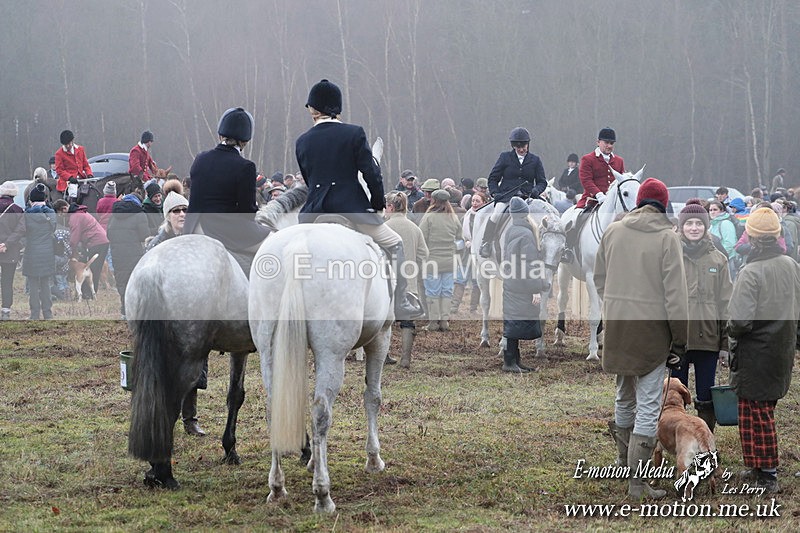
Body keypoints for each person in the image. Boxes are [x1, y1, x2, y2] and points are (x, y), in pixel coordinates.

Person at [295, 79, 422, 319]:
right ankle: (401, 301)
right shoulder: (354, 133)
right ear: (337, 108)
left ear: (313, 110)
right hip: (351, 209)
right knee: (395, 244)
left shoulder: (302, 141)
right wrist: (376, 204)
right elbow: (371, 173)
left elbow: (309, 180)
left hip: (313, 213)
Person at [594, 178, 688, 500]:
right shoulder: (667, 238)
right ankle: (637, 484)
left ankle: (623, 466)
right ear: (664, 205)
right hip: (652, 334)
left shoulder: (613, 232)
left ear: (638, 202)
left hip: (618, 329)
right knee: (648, 407)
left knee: (623, 397)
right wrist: (679, 340)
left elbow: (599, 280)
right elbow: (676, 297)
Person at [728, 207, 800, 493]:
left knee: (756, 415)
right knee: (760, 409)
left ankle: (767, 473)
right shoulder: (792, 265)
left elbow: (739, 322)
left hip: (754, 355)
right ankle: (756, 466)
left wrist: (728, 330)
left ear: (753, 239)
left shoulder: (750, 272)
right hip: (781, 352)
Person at [143, 188, 208, 436]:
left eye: (184, 210)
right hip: (166, 315)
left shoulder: (197, 239)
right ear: (167, 215)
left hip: (193, 315)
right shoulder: (158, 244)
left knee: (193, 368)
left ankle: (190, 419)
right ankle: (160, 417)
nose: (181, 214)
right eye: (176, 211)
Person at [184, 107, 270, 273]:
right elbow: (247, 212)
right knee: (278, 245)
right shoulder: (245, 166)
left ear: (220, 134)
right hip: (224, 230)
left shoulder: (200, 159)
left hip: (193, 227)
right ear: (245, 141)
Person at [672, 204, 733, 432]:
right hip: (678, 341)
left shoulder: (718, 260)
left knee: (706, 395)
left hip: (708, 339)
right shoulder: (671, 256)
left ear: (706, 227)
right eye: (689, 223)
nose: (694, 228)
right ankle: (681, 437)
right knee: (677, 395)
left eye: (699, 223)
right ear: (681, 226)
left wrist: (725, 344)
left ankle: (705, 441)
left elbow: (726, 304)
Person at [479, 127, 546, 258]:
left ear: (528, 144)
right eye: (518, 147)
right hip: (507, 197)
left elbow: (542, 181)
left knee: (547, 213)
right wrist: (495, 193)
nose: (522, 149)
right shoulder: (505, 157)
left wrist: (536, 190)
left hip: (528, 198)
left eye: (524, 146)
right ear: (514, 146)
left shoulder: (535, 160)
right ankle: (486, 242)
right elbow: (493, 178)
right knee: (496, 215)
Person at [501, 197, 550, 373]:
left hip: (512, 283)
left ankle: (514, 361)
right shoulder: (527, 234)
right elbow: (530, 264)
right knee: (514, 323)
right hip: (522, 285)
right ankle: (509, 363)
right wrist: (536, 289)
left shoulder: (511, 230)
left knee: (512, 322)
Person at [565, 128, 625, 260]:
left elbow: (621, 181)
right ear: (598, 142)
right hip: (591, 200)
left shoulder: (619, 161)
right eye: (606, 143)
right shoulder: (588, 159)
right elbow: (586, 180)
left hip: (612, 203)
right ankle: (568, 250)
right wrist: (598, 194)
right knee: (577, 220)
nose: (609, 146)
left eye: (612, 143)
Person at [384, 191, 428, 367]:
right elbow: (424, 254)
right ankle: (405, 358)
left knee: (384, 322)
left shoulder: (383, 227)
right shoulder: (414, 228)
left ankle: (384, 354)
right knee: (407, 320)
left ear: (391, 207)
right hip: (408, 281)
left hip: (385, 281)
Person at [418, 189, 461, 331]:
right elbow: (460, 238)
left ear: (434, 200)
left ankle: (433, 323)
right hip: (449, 261)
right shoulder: (453, 217)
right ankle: (444, 322)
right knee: (447, 291)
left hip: (432, 261)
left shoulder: (429, 217)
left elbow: (421, 238)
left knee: (432, 291)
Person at [107, 193, 149, 319]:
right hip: (134, 253)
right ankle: (139, 311)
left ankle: (125, 311)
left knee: (122, 282)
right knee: (138, 282)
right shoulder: (139, 214)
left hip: (117, 254)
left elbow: (109, 234)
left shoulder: (114, 215)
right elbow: (144, 236)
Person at [23, 184, 57, 320]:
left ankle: (34, 313)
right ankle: (47, 313)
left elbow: (23, 232)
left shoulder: (26, 215)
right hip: (47, 253)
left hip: (31, 253)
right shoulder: (50, 214)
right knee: (45, 284)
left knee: (33, 285)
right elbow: (53, 229)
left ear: (31, 200)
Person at [66, 203, 109, 295]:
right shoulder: (81, 213)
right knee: (92, 268)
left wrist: (71, 250)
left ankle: (88, 294)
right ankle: (88, 292)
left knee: (94, 268)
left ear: (64, 209)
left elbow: (74, 237)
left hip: (96, 242)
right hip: (99, 241)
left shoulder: (75, 217)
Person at [0, 181, 26, 320]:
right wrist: (7, 244)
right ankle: (5, 310)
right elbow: (21, 230)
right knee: (7, 280)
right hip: (10, 251)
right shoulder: (17, 210)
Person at [462, 192, 488, 313]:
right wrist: (466, 241)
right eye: (473, 201)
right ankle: (454, 307)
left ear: (484, 202)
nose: (474, 203)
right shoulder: (467, 216)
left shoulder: (486, 217)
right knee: (461, 278)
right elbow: (463, 233)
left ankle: (473, 307)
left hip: (481, 252)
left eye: (477, 201)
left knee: (477, 280)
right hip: (467, 251)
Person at [54, 130, 93, 201]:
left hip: (81, 178)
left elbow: (86, 165)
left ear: (72, 141)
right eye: (66, 144)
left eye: (69, 143)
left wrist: (89, 174)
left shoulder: (80, 149)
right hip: (68, 181)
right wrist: (70, 177)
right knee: (73, 193)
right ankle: (72, 207)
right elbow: (59, 170)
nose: (68, 146)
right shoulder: (59, 154)